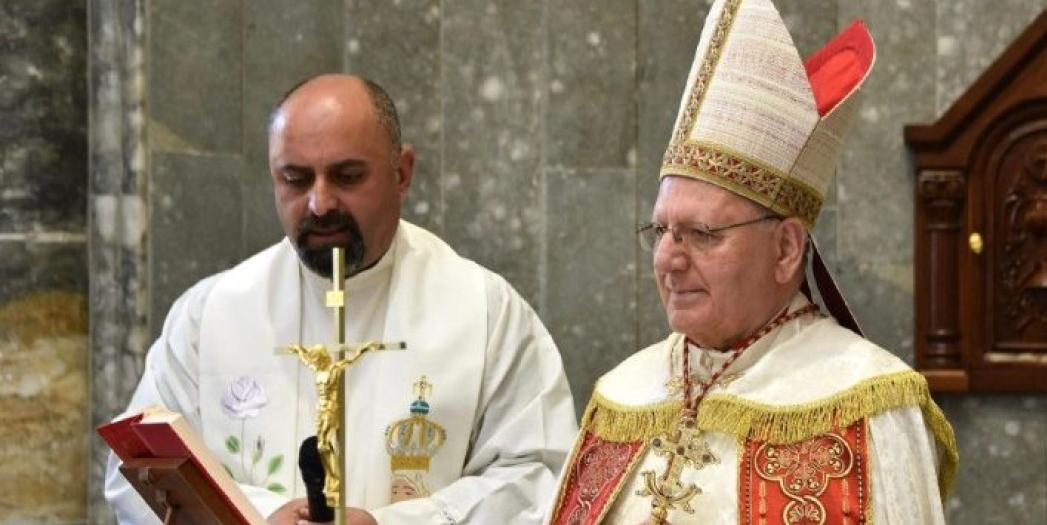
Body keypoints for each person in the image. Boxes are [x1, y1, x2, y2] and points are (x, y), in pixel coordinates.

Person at [547, 1, 957, 524]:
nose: (670, 259)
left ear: (786, 248)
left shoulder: (867, 407)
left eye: (701, 233)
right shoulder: (621, 397)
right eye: (661, 231)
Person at [104, 73, 578, 524]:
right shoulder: (210, 315)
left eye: (347, 176)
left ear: (402, 172)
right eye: (295, 179)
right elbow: (138, 474)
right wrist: (257, 515)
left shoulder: (486, 311)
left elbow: (541, 477)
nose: (320, 202)